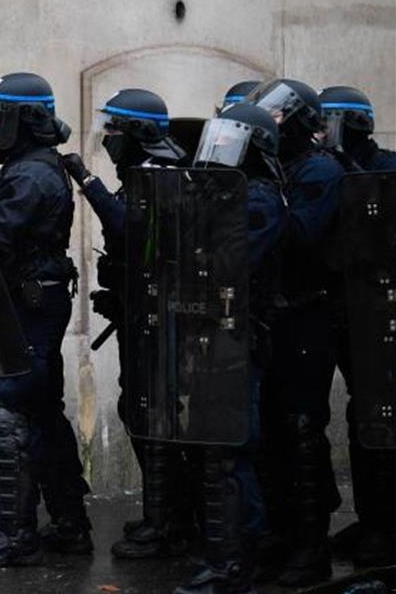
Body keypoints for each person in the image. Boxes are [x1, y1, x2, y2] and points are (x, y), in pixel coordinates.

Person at [0, 73, 90, 567]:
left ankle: (18, 535)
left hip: (32, 307)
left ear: (23, 120)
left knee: (12, 411)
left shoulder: (31, 175)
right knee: (43, 414)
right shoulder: (26, 168)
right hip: (33, 303)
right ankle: (70, 524)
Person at [60, 88, 194, 559]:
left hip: (162, 320)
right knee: (137, 412)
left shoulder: (162, 175)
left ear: (137, 132)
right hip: (140, 315)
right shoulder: (142, 173)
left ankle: (168, 521)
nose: (108, 138)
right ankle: (165, 512)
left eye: (114, 129)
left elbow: (129, 229)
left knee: (152, 416)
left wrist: (86, 182)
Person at [170, 100, 285, 594]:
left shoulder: (257, 201)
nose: (217, 151)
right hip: (216, 335)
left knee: (231, 451)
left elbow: (228, 265)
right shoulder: (229, 196)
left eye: (229, 140)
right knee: (219, 449)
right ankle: (232, 550)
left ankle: (237, 559)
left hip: (238, 337)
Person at [246, 78, 343, 587]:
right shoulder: (278, 169)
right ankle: (281, 534)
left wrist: (264, 194)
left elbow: (302, 234)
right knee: (271, 430)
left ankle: (311, 545)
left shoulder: (320, 170)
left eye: (280, 116)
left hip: (306, 313)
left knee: (303, 428)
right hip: (272, 317)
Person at [319, 86, 396, 569]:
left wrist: (345, 164)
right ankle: (372, 520)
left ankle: (386, 530)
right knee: (357, 418)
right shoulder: (325, 171)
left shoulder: (387, 167)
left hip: (382, 314)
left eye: (328, 124)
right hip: (344, 307)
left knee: (382, 421)